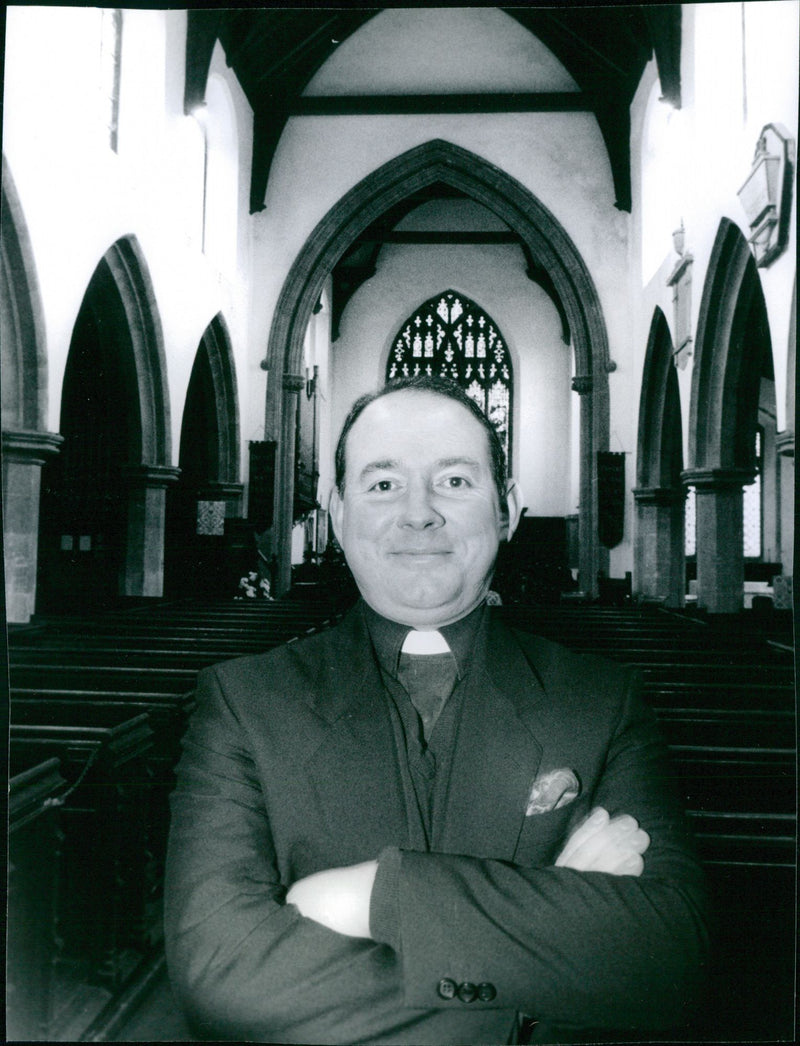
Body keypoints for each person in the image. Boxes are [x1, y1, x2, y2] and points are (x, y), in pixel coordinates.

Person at [164, 375, 709, 1045]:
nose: (418, 513)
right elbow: (224, 975)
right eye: (383, 484)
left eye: (454, 481)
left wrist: (376, 896)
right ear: (339, 511)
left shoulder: (603, 700)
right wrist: (541, 979)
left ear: (506, 508)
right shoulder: (242, 702)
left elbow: (670, 958)